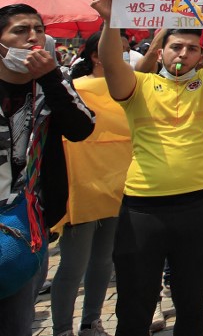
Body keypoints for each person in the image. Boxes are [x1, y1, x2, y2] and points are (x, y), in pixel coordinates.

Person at [89, 0, 203, 336]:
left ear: (200, 56)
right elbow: (111, 61)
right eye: (176, 47)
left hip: (197, 209)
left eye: (191, 49)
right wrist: (112, 21)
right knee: (135, 304)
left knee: (191, 303)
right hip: (141, 212)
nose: (183, 54)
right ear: (161, 52)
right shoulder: (137, 85)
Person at [0, 5, 95, 336]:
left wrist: (51, 77)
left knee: (16, 319)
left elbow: (82, 127)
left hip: (28, 222)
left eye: (38, 30)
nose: (32, 37)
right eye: (19, 31)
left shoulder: (52, 86)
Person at [49, 35, 132, 336]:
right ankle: (62, 329)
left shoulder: (128, 88)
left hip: (117, 183)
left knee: (102, 262)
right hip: (81, 185)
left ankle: (91, 322)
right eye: (121, 50)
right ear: (98, 56)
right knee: (73, 266)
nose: (126, 54)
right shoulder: (74, 89)